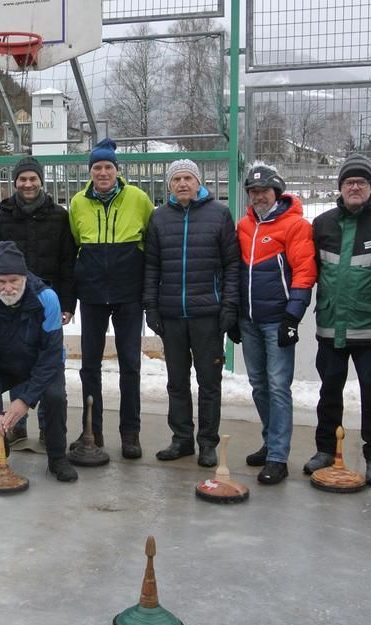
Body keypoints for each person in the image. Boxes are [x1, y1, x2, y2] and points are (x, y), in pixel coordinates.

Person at [304, 155, 371, 486]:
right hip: (331, 328)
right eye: (349, 182)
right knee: (329, 392)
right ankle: (324, 450)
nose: (355, 187)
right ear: (340, 188)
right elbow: (307, 271)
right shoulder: (322, 225)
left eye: (362, 182)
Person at [142, 159, 239, 467]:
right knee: (177, 382)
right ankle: (181, 439)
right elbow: (152, 267)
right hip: (171, 314)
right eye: (176, 179)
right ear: (169, 185)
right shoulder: (159, 219)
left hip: (207, 314)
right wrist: (151, 307)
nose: (182, 183)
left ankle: (207, 442)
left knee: (209, 382)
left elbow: (232, 266)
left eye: (188, 178)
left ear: (199, 183)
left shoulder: (219, 214)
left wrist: (229, 306)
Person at [68, 138, 154, 459]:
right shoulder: (78, 202)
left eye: (108, 167)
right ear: (90, 172)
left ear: (118, 171)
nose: (102, 173)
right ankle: (93, 430)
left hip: (128, 294)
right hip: (91, 294)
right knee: (90, 365)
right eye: (97, 168)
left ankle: (130, 433)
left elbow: (149, 237)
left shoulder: (138, 199)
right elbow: (77, 242)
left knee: (130, 363)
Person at [0, 241, 77, 482]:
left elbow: (51, 355)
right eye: (1, 282)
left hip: (42, 363)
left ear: (24, 277)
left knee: (55, 397)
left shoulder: (47, 299)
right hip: (6, 366)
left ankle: (57, 457)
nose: (7, 287)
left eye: (14, 280)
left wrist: (25, 400)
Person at [235, 162, 316, 484]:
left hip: (277, 321)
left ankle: (279, 457)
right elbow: (236, 272)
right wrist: (235, 314)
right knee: (258, 385)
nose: (258, 197)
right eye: (253, 192)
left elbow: (304, 272)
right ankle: (270, 443)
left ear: (277, 192)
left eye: (264, 191)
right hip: (249, 320)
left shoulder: (295, 226)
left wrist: (292, 316)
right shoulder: (243, 226)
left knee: (278, 387)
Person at [0, 155, 76, 445]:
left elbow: (67, 262)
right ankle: (17, 423)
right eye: (22, 179)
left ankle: (49, 426)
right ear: (15, 182)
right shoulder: (1, 217)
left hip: (47, 301)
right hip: (11, 301)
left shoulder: (59, 215)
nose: (27, 184)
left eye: (32, 179)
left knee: (47, 361)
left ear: (41, 181)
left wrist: (66, 304)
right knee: (16, 358)